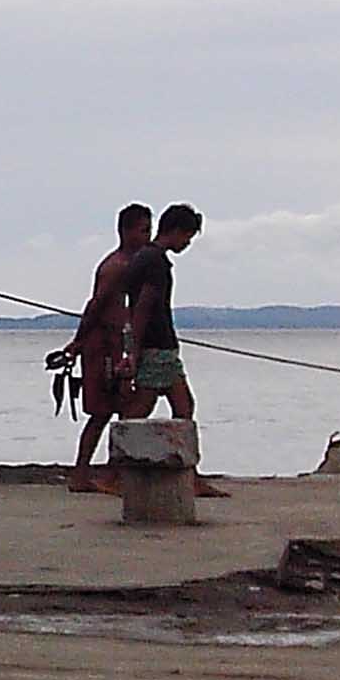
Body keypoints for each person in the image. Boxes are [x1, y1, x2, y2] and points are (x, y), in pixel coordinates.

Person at [121, 204, 223, 496]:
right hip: (157, 346)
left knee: (178, 406)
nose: (187, 244)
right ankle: (119, 470)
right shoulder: (155, 263)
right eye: (187, 237)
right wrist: (135, 350)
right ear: (176, 231)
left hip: (157, 345)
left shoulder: (143, 258)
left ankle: (187, 472)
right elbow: (142, 307)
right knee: (142, 410)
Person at [56, 204, 155, 493]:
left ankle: (112, 471)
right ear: (125, 231)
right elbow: (95, 306)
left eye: (149, 230)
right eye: (143, 230)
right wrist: (77, 342)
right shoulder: (115, 266)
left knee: (127, 407)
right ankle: (84, 474)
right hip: (102, 345)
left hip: (119, 343)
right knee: (102, 412)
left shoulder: (136, 265)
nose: (147, 236)